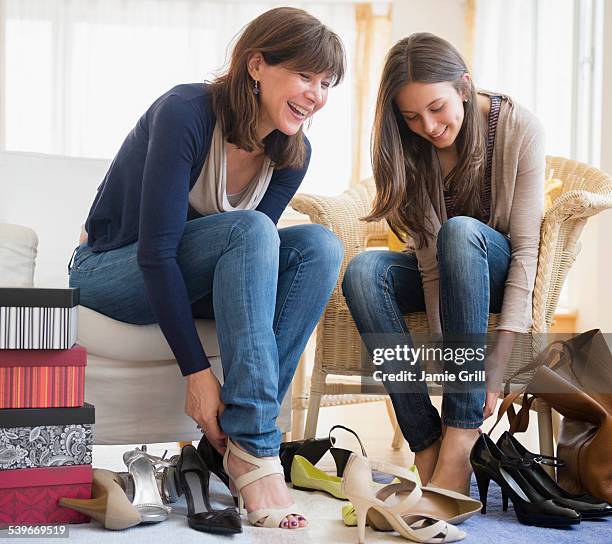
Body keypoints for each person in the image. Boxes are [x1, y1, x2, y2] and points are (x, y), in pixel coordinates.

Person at [69, 7, 345, 529]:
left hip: (197, 275)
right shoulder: (186, 111)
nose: (317, 95)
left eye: (327, 83)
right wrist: (196, 373)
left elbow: (255, 273)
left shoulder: (293, 152)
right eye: (305, 76)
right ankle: (260, 454)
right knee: (251, 229)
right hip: (111, 270)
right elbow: (156, 253)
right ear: (257, 65)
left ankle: (241, 442)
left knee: (321, 247)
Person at [342, 33, 544, 494]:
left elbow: (528, 250)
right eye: (411, 116)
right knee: (364, 273)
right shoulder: (411, 150)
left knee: (461, 231)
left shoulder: (519, 129)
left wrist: (496, 363)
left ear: (465, 89)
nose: (428, 126)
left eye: (437, 108)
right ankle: (426, 442)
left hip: (492, 268)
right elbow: (431, 271)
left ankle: (461, 437)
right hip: (443, 273)